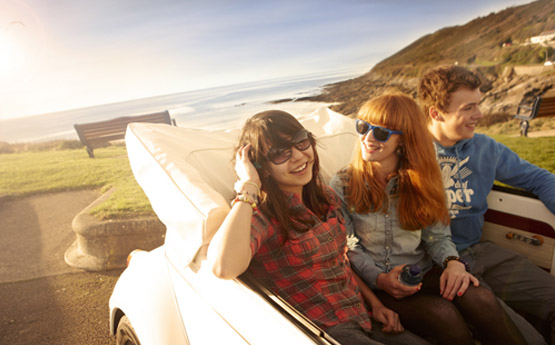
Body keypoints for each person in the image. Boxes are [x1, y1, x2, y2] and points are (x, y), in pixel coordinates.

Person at [207, 110, 431, 345]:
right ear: (261, 166)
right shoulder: (261, 214)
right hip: (325, 330)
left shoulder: (325, 197)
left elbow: (339, 261)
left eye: (300, 142)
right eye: (279, 153)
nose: (297, 156)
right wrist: (248, 186)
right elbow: (224, 267)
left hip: (362, 316)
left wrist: (375, 305)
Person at [329, 92, 527, 345]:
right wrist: (380, 279)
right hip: (378, 284)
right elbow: (348, 245)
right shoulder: (344, 184)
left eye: (381, 133)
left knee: (481, 298)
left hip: (420, 273)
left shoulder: (423, 179)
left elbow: (437, 235)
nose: (367, 137)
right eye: (363, 127)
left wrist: (452, 262)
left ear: (403, 140)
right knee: (442, 315)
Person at [418, 65, 555, 345]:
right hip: (432, 266)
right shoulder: (409, 151)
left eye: (478, 105)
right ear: (436, 112)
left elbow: (540, 179)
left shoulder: (486, 148)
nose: (479, 115)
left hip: (479, 251)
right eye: (468, 108)